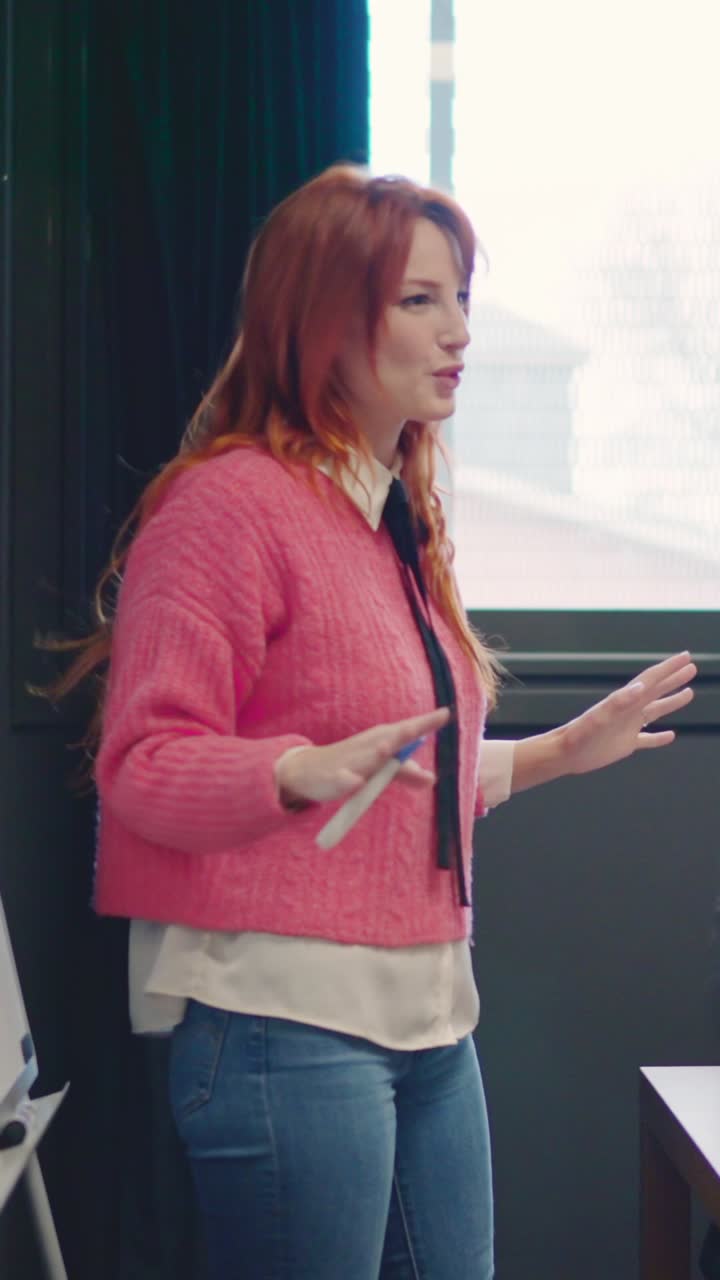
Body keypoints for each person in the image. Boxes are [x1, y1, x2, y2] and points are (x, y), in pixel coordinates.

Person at [53, 165, 696, 1280]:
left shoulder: (386, 514)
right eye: (419, 301)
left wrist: (556, 752)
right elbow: (142, 765)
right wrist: (291, 769)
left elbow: (397, 770)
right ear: (322, 321)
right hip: (282, 1026)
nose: (457, 331)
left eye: (462, 301)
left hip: (431, 1021)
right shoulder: (226, 505)